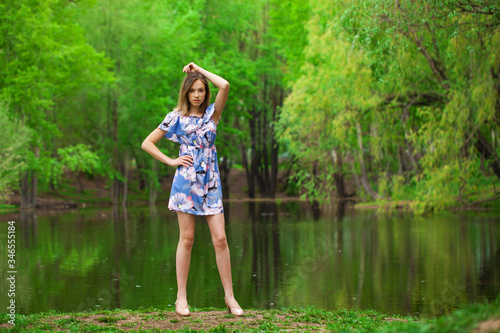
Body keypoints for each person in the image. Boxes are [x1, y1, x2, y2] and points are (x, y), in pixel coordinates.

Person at [141, 62, 243, 317]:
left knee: (220, 239)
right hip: (185, 184)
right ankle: (181, 298)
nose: (197, 94)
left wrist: (198, 69)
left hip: (211, 183)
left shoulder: (212, 115)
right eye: (193, 90)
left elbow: (225, 85)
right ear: (186, 92)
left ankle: (230, 298)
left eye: (201, 90)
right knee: (187, 240)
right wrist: (171, 161)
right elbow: (147, 143)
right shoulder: (175, 117)